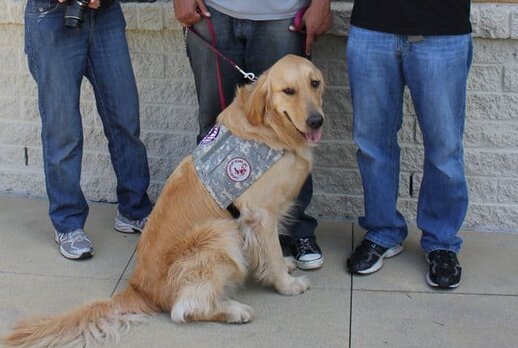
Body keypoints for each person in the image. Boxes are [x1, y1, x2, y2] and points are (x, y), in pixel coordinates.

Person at [173, 0, 332, 270]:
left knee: (293, 132)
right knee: (215, 130)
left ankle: (295, 230)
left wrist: (321, 3)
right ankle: (216, 234)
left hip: (283, 15)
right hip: (212, 12)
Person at [345, 1, 472, 289]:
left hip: (442, 29)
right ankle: (382, 231)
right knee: (372, 143)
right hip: (372, 26)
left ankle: (442, 243)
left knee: (444, 148)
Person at [24, 0, 153, 259]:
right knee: (63, 130)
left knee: (125, 118)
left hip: (106, 16)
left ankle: (133, 210)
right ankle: (68, 223)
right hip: (51, 15)